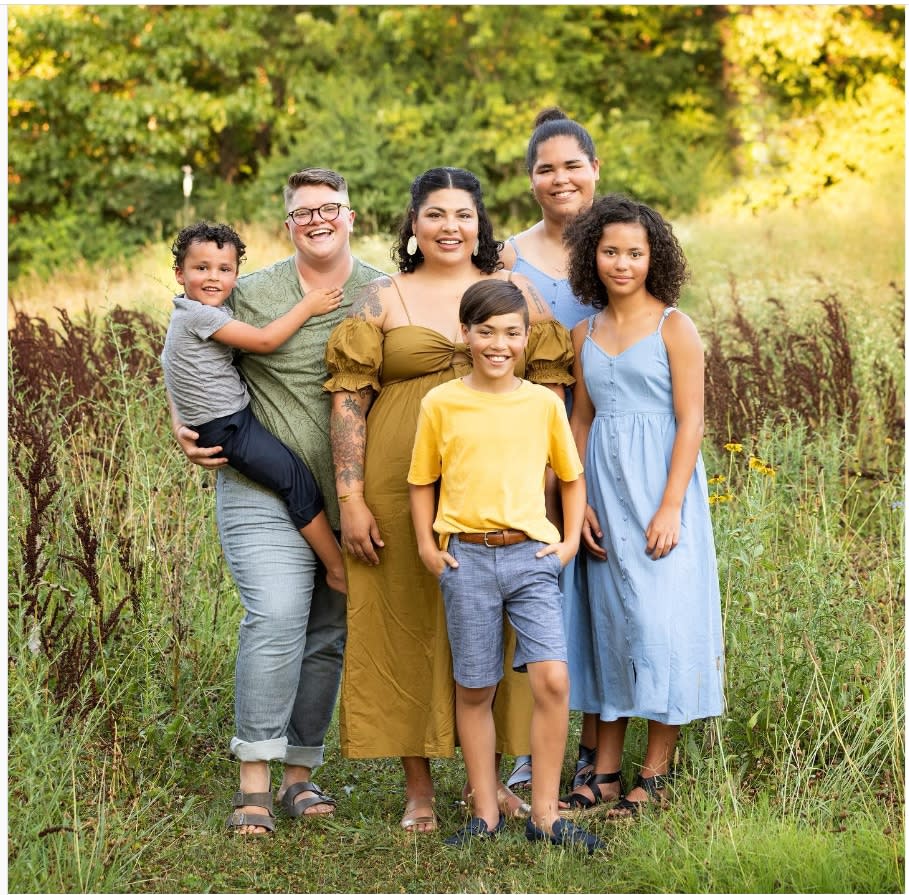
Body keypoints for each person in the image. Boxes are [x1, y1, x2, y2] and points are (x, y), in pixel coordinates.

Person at [325, 167, 575, 834]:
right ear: (413, 224)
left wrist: (546, 488)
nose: (448, 226)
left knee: (497, 639)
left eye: (462, 214)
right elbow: (349, 398)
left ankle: (491, 788)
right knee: (404, 623)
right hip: (397, 485)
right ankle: (419, 788)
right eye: (433, 213)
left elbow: (549, 384)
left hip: (500, 498)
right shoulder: (382, 296)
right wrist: (350, 494)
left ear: (479, 223)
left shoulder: (511, 293)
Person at [167, 168, 384, 835]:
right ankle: (253, 781)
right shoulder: (251, 290)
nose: (317, 219)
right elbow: (186, 350)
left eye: (329, 207)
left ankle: (299, 774)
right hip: (262, 490)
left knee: (327, 632)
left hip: (354, 495)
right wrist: (177, 422)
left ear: (351, 214)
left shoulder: (382, 290)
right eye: (302, 211)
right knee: (279, 615)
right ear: (287, 223)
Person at [408, 279, 603, 854]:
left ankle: (545, 814)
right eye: (486, 331)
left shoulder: (542, 402)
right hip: (466, 557)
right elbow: (422, 480)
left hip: (532, 557)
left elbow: (570, 476)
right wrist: (426, 545)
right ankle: (486, 811)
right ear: (465, 334)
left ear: (525, 338)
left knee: (553, 678)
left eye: (511, 333)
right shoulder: (441, 402)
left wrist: (568, 543)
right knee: (475, 686)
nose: (499, 343)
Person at [560, 193, 725, 817]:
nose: (622, 263)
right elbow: (580, 419)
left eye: (635, 252)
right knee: (609, 624)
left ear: (654, 258)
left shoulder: (674, 327)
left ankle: (654, 774)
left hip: (661, 489)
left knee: (660, 624)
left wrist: (669, 507)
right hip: (603, 487)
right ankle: (602, 771)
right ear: (592, 257)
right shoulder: (585, 332)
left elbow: (691, 422)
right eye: (610, 252)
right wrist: (578, 501)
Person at [499, 107, 601, 795]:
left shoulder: (621, 240)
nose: (559, 178)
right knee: (539, 586)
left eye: (571, 165)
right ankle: (531, 755)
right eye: (545, 168)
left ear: (594, 169)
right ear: (530, 178)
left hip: (607, 436)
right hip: (528, 440)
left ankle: (600, 747)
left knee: (604, 591)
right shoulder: (505, 253)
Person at [162, 220, 346, 594]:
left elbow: (169, 364)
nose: (213, 278)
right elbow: (263, 341)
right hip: (227, 427)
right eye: (201, 268)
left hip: (222, 421)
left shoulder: (185, 313)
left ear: (236, 275)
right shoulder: (201, 316)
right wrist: (308, 305)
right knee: (296, 480)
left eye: (224, 270)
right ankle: (337, 569)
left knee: (289, 475)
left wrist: (179, 418)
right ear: (180, 274)